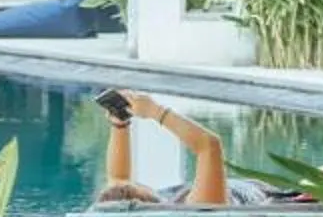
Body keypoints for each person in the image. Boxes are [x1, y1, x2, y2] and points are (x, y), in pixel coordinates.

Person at [94, 89, 233, 207]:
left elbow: (119, 178)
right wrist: (155, 111)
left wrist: (119, 124)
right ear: (150, 198)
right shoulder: (199, 208)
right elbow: (209, 145)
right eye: (138, 186)